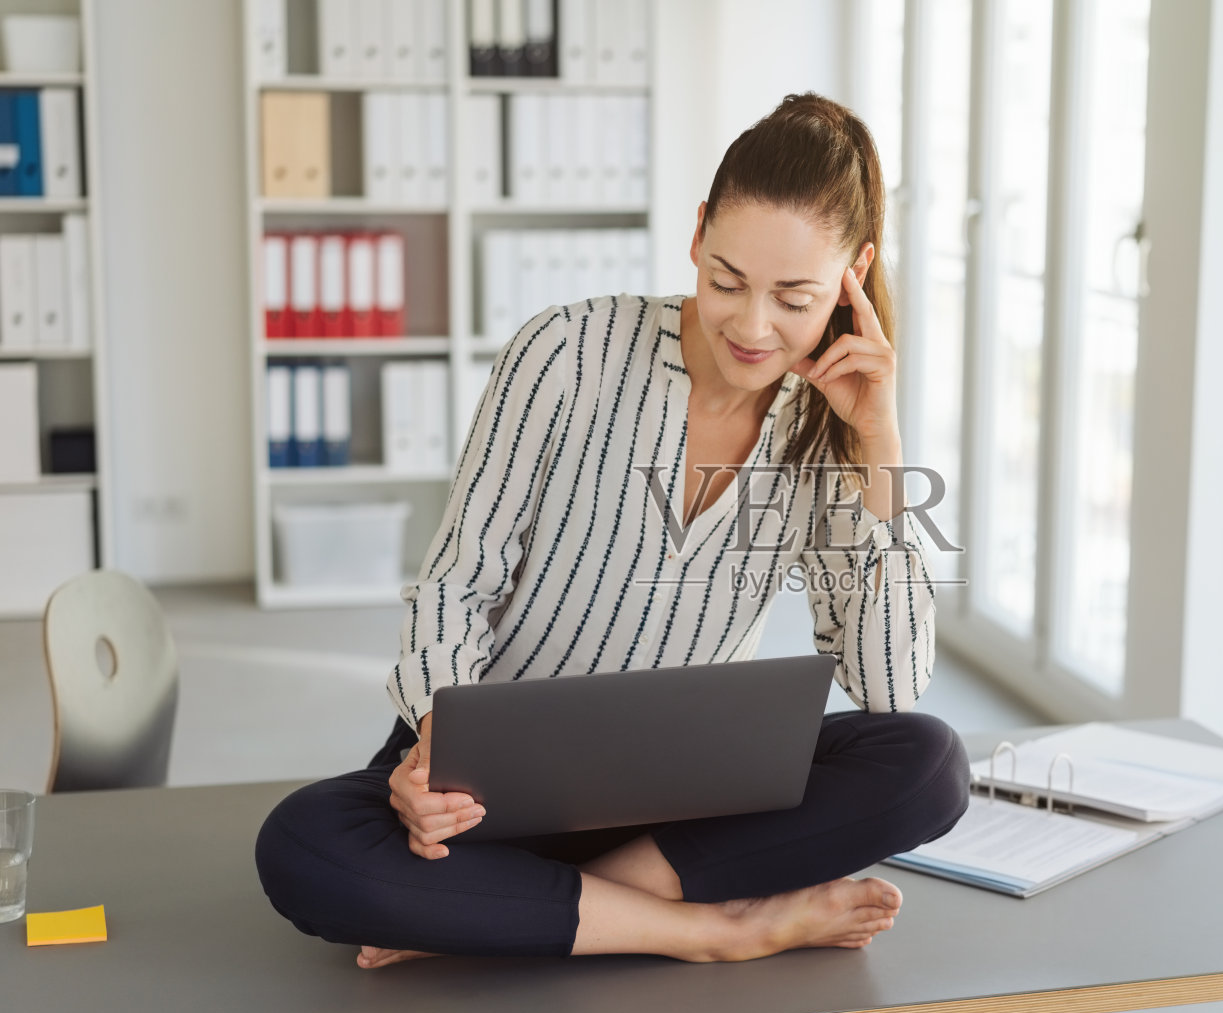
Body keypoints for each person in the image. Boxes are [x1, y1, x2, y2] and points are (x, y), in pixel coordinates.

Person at [255, 92, 969, 968]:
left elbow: (890, 685)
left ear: (855, 273)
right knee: (302, 844)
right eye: (728, 280)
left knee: (931, 763)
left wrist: (879, 448)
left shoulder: (833, 424)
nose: (752, 326)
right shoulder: (566, 352)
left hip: (684, 803)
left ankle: (520, 911)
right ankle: (711, 927)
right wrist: (437, 747)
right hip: (490, 791)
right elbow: (455, 582)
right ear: (698, 232)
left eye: (794, 298)